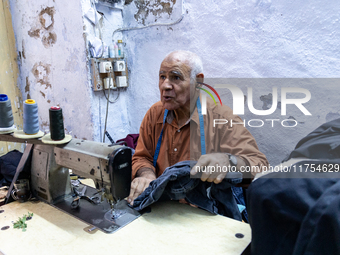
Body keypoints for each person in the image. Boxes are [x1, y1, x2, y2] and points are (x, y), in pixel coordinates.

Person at [127, 50, 268, 206]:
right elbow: (142, 157)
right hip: (163, 206)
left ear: (198, 81)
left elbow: (260, 165)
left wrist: (230, 161)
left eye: (176, 77)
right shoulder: (155, 114)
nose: (165, 85)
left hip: (205, 212)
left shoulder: (221, 119)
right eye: (162, 77)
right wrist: (147, 175)